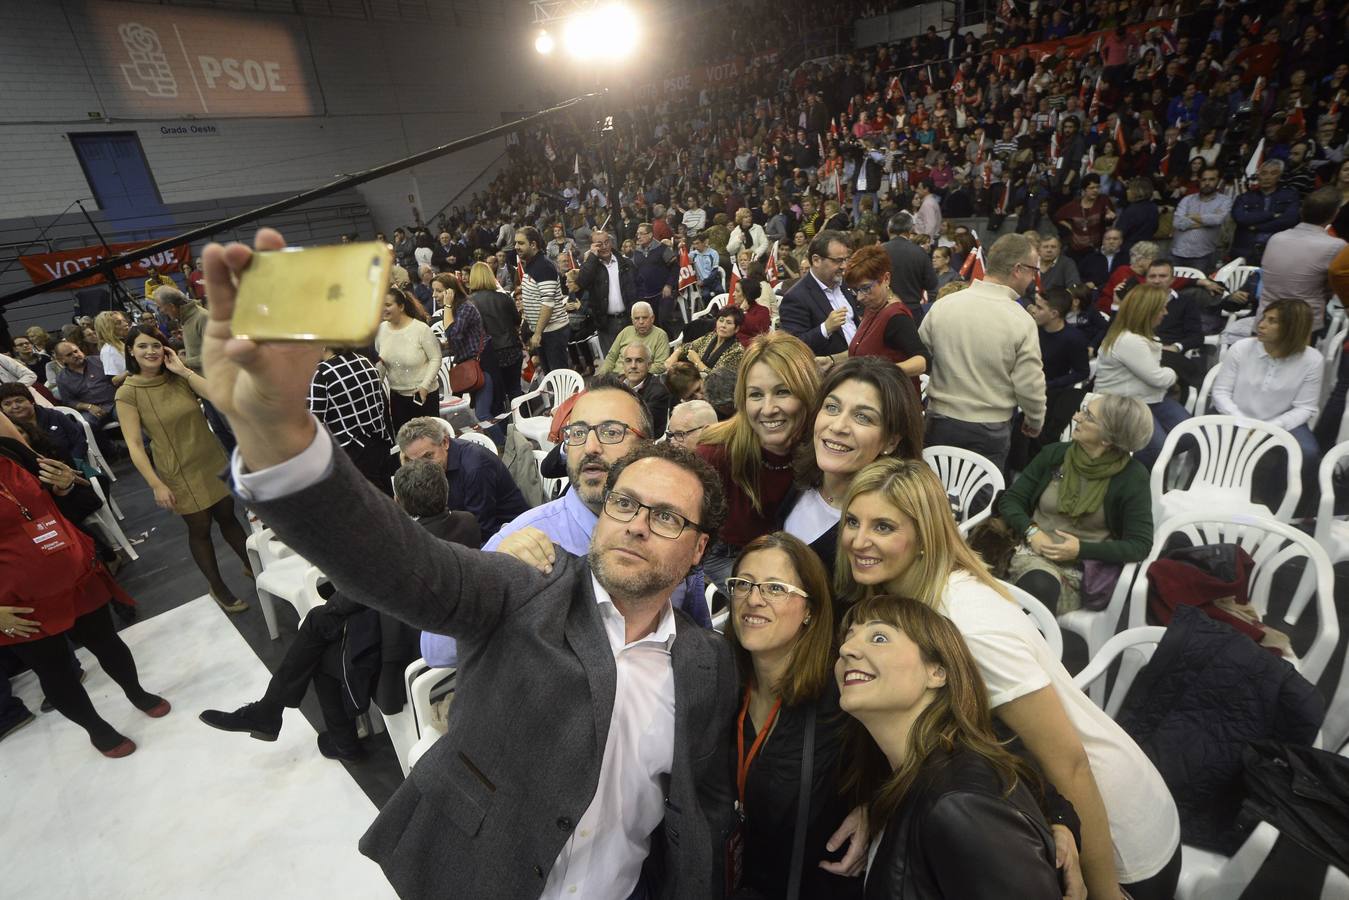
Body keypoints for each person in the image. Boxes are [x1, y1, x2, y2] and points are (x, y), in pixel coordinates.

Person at [203, 226, 754, 898]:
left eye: (665, 516)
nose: (637, 524)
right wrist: (281, 437)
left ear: (699, 549)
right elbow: (396, 562)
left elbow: (702, 801)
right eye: (625, 504)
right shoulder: (525, 585)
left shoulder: (708, 661)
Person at [837, 458, 1182, 899]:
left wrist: (1105, 891)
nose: (858, 540)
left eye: (883, 527)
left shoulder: (967, 625)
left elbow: (1069, 761)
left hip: (1114, 832)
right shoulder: (898, 597)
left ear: (924, 537)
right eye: (852, 521)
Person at [199, 459, 481, 761]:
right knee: (323, 625)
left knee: (320, 638)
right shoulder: (467, 522)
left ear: (398, 500)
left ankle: (314, 730)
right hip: (451, 634)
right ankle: (271, 712)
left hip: (407, 653)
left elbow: (347, 600)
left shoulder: (402, 550)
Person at [836, 595, 1062, 899]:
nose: (846, 649)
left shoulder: (960, 803)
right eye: (848, 638)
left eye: (879, 637)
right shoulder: (910, 774)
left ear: (937, 672)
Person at [0, 412, 167, 758]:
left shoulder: (12, 453)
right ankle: (97, 729)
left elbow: (75, 501)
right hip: (17, 602)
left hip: (76, 574)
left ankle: (136, 692)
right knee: (54, 669)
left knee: (107, 642)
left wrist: (64, 485)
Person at [726, 533, 863, 898]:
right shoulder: (718, 683)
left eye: (774, 588)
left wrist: (878, 810)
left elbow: (922, 762)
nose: (753, 599)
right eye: (743, 584)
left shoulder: (845, 696)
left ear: (811, 611)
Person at [115, 325, 252, 614]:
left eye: (155, 345)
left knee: (228, 516)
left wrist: (182, 370)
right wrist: (156, 484)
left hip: (210, 458)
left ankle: (253, 567)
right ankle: (217, 586)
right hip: (178, 470)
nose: (150, 351)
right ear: (130, 351)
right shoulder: (128, 393)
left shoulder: (178, 377)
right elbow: (135, 446)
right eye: (142, 346)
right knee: (200, 528)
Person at [1000, 394, 1156, 615]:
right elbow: (1011, 500)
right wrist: (1032, 531)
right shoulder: (1055, 455)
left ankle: (1024, 646)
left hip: (1081, 571)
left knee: (1039, 587)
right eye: (1083, 410)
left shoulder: (1132, 477)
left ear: (1107, 438)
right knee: (1034, 582)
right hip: (1028, 552)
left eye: (1088, 416)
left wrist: (1081, 550)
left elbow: (1139, 545)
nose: (1076, 416)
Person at [696, 333, 820, 589]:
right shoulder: (716, 453)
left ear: (808, 393)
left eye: (783, 391)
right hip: (733, 554)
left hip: (800, 552)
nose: (768, 408)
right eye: (755, 395)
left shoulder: (824, 446)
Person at [918, 233, 1046, 472]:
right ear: (1018, 269)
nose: (1033, 278)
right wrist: (1035, 419)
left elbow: (919, 356)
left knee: (932, 498)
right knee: (978, 503)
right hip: (988, 427)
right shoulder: (1020, 320)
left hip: (939, 420)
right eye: (1033, 271)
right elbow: (1030, 383)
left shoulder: (944, 306)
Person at [782, 358, 923, 574]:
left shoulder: (885, 532)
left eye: (863, 417)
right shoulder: (800, 481)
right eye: (831, 407)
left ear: (891, 441)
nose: (838, 426)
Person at [1211, 300, 1322, 508]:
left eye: (1272, 321)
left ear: (1292, 328)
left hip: (1281, 421)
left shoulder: (1312, 359)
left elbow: (1305, 407)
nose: (1261, 325)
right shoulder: (1241, 348)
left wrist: (1271, 428)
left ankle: (1278, 505)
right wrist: (1243, 423)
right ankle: (1208, 489)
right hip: (1235, 416)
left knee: (1308, 453)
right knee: (1208, 435)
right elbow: (1220, 392)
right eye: (1264, 318)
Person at [1093, 284, 1189, 468]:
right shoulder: (1129, 340)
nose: (1166, 312)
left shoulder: (1143, 338)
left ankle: (1147, 464)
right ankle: (1139, 476)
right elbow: (1158, 378)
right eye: (1162, 308)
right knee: (1157, 450)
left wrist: (1165, 375)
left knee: (1190, 434)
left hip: (1150, 399)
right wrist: (1173, 373)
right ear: (1148, 311)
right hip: (1121, 404)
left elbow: (1156, 378)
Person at [396, 417, 527, 539]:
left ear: (445, 442)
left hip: (510, 533)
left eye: (428, 456)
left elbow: (481, 529)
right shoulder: (434, 463)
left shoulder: (476, 467)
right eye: (415, 461)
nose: (423, 466)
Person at [1257, 186, 1347, 331]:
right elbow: (1337, 284)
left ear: (1301, 210)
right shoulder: (1336, 246)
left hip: (1265, 321)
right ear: (1335, 214)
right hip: (1300, 327)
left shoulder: (1276, 238)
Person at [307, 347, 392, 492]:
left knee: (367, 508)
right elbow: (381, 403)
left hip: (351, 452)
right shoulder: (364, 361)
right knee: (387, 501)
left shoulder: (321, 374)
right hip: (380, 442)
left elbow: (313, 426)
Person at [779, 230, 861, 356]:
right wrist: (825, 328)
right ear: (816, 260)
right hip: (831, 372)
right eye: (838, 260)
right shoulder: (795, 297)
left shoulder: (845, 284)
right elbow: (793, 348)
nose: (844, 266)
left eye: (846, 259)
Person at [376, 287, 441, 433]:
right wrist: (375, 388)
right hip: (397, 397)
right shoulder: (381, 330)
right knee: (404, 442)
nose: (383, 309)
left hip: (423, 395)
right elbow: (381, 361)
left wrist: (425, 386)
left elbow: (436, 358)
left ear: (401, 306)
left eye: (387, 305)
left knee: (428, 440)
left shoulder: (421, 329)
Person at [464, 261, 523, 417]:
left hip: (489, 354)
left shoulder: (469, 303)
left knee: (497, 395)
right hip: (512, 348)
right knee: (515, 389)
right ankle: (522, 421)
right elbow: (517, 320)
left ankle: (504, 428)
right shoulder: (503, 297)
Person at [516, 225, 570, 373]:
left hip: (553, 332)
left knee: (560, 377)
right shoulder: (532, 265)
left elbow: (547, 304)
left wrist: (537, 333)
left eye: (521, 243)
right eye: (516, 243)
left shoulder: (544, 267)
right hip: (544, 332)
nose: (516, 247)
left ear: (533, 245)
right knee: (550, 376)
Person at [438, 274, 492, 423]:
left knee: (483, 414)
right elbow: (456, 340)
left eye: (438, 291)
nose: (434, 295)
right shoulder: (455, 309)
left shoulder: (465, 308)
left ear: (450, 292)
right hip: (469, 366)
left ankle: (501, 444)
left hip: (482, 365)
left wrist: (447, 306)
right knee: (479, 413)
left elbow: (453, 333)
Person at [576, 230, 638, 355]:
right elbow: (581, 282)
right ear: (593, 247)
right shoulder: (591, 266)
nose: (604, 247)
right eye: (599, 244)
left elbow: (638, 287)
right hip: (606, 323)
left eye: (606, 242)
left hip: (628, 319)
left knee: (634, 357)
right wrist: (592, 257)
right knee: (613, 363)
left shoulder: (625, 263)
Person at [1229, 160, 1300, 265]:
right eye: (1264, 173)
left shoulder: (1290, 196)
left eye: (1273, 173)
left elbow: (1290, 220)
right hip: (1246, 252)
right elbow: (1240, 218)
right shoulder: (1244, 197)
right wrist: (1272, 215)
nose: (1267, 177)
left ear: (1279, 176)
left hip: (1277, 251)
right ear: (1258, 176)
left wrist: (1256, 227)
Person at [1169, 166, 1232, 274]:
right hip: (1178, 252)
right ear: (1199, 181)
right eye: (1204, 179)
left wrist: (1191, 216)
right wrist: (1207, 221)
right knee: (1172, 288)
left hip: (1203, 255)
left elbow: (1218, 219)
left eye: (1211, 179)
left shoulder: (1224, 201)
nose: (1207, 183)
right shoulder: (1187, 199)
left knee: (1199, 289)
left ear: (1218, 180)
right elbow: (1178, 223)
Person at [51, 340, 118, 430]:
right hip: (90, 411)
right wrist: (88, 407)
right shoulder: (62, 378)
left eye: (76, 351)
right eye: (69, 355)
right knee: (84, 425)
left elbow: (117, 380)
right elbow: (69, 401)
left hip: (114, 403)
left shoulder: (99, 361)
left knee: (128, 414)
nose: (75, 355)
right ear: (61, 360)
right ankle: (105, 444)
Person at [596, 301, 670, 376]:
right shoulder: (626, 331)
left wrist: (630, 373)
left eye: (644, 318)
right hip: (615, 377)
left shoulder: (660, 335)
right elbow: (611, 357)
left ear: (652, 318)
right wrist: (601, 376)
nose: (641, 322)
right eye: (637, 318)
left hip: (638, 380)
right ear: (632, 320)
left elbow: (660, 366)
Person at [670, 307, 746, 380]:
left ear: (736, 329)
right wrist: (675, 354)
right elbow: (688, 346)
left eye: (728, 323)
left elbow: (718, 379)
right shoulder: (711, 336)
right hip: (696, 381)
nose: (723, 325)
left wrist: (697, 362)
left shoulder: (737, 351)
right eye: (721, 320)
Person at [632, 222, 679, 333]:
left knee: (663, 321)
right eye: (637, 234)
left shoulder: (662, 249)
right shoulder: (637, 252)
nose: (638, 236)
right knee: (650, 325)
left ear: (650, 235)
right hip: (644, 295)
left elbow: (675, 268)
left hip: (662, 293)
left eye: (642, 234)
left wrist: (669, 285)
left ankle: (671, 345)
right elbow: (635, 272)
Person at [1055, 175, 1115, 260]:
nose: (1095, 190)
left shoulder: (1103, 200)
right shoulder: (1074, 205)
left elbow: (1108, 221)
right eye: (1091, 188)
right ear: (1084, 190)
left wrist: (1110, 218)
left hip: (1096, 249)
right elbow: (1057, 216)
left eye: (1097, 187)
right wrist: (1070, 227)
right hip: (1076, 250)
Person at [1078, 228, 1127, 298]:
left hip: (1120, 293)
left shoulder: (1127, 258)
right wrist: (1086, 284)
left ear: (1121, 241)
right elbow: (1078, 275)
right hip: (1093, 293)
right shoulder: (1090, 258)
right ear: (1103, 241)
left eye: (1115, 239)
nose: (1111, 242)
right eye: (1108, 239)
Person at [92, 311, 130, 387]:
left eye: (124, 321)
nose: (126, 324)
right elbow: (114, 380)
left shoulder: (121, 343)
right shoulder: (108, 350)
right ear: (108, 328)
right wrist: (131, 371)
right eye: (118, 323)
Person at [735, 279, 772, 347]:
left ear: (747, 294)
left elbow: (758, 330)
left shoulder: (762, 311)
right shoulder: (733, 308)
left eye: (737, 291)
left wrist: (742, 312)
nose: (733, 294)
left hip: (750, 349)